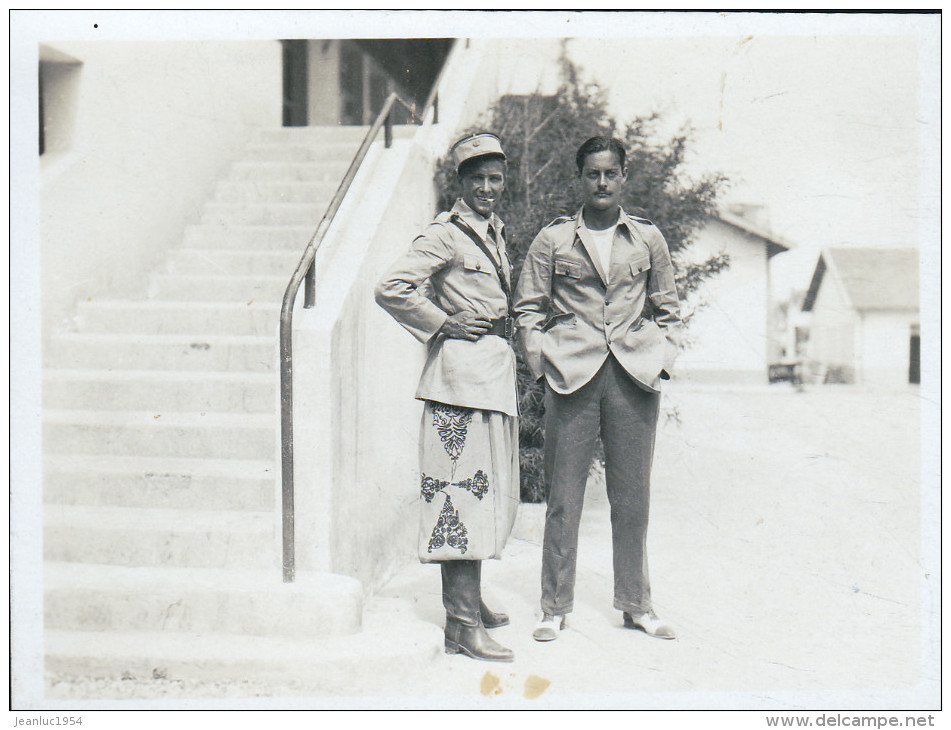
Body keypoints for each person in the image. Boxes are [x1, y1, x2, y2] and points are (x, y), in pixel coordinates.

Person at [513, 136, 683, 642]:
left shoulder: (648, 238)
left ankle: (637, 605)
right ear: (579, 179)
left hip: (633, 377)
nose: (602, 183)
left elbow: (669, 308)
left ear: (624, 177)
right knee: (564, 496)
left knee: (633, 498)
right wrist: (543, 362)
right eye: (592, 174)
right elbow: (528, 308)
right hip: (572, 376)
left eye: (611, 173)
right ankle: (553, 607)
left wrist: (659, 358)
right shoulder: (554, 240)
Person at [374, 133, 519, 662]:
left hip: (489, 378)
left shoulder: (492, 231)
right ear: (460, 182)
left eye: (495, 178)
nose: (486, 188)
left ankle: (471, 600)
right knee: (460, 494)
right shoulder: (446, 234)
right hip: (458, 382)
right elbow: (391, 286)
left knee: (485, 490)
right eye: (476, 179)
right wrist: (442, 324)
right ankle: (459, 625)